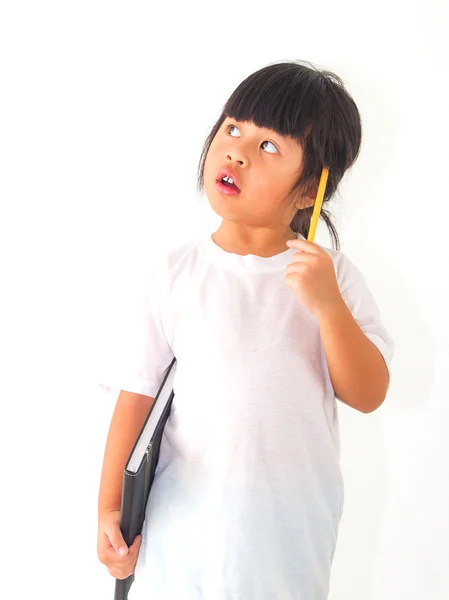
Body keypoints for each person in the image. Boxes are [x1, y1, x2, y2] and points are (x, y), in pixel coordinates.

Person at [97, 59, 395, 599]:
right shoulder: (173, 273)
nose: (236, 150)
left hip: (290, 530)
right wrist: (110, 508)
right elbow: (135, 398)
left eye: (270, 147)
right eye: (233, 128)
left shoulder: (333, 279)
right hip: (184, 521)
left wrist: (328, 307)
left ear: (311, 189)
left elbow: (369, 393)